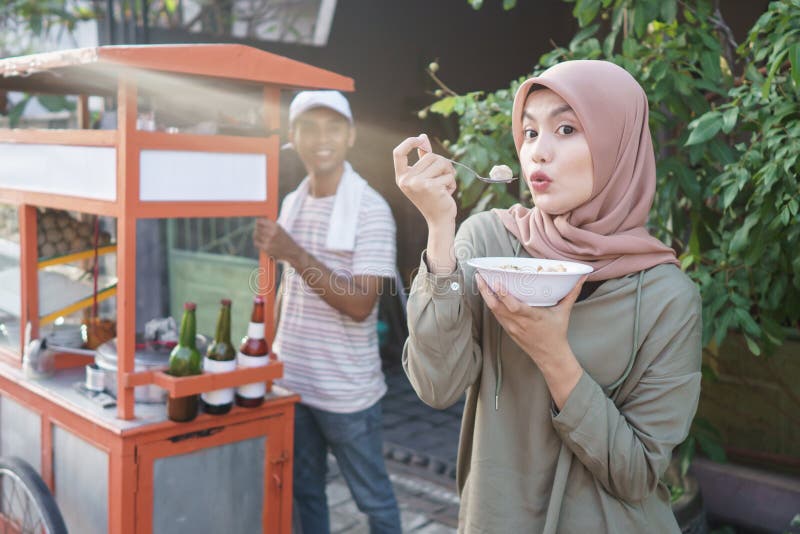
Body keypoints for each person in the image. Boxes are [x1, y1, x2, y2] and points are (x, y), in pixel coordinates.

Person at [393, 60, 702, 533]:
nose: (538, 152)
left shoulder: (665, 296)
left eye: (565, 128)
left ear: (617, 144)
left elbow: (637, 474)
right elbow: (437, 385)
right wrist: (439, 231)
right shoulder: (489, 245)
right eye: (530, 133)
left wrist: (553, 356)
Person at [253, 90, 402, 534]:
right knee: (304, 492)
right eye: (310, 128)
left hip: (346, 392)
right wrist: (267, 353)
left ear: (351, 135)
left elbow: (360, 304)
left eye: (333, 127)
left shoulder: (371, 209)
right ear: (293, 138)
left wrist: (293, 252)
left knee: (373, 500)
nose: (322, 138)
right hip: (292, 381)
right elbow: (285, 290)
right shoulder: (293, 203)